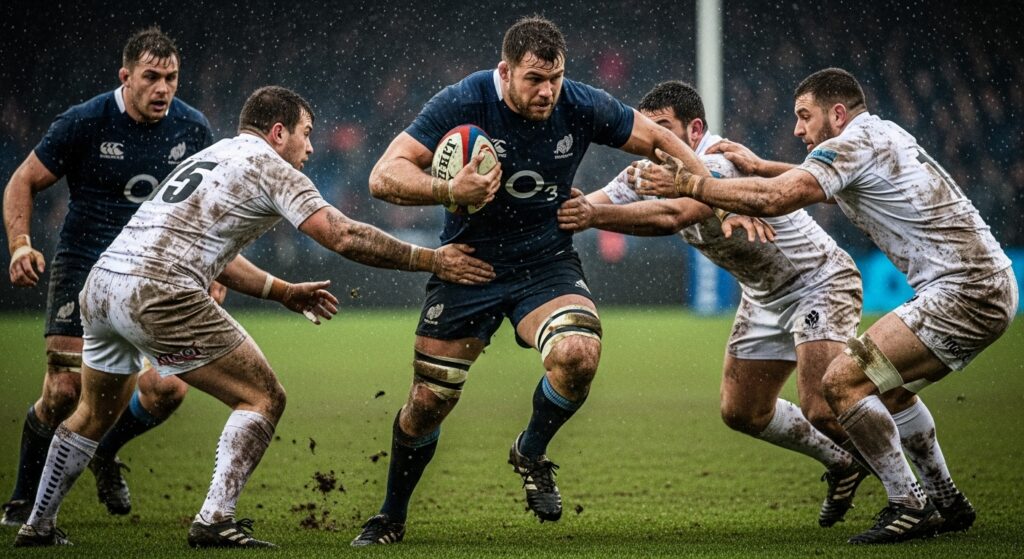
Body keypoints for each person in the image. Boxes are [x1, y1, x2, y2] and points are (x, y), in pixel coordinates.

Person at [12, 85, 496, 548]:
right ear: (279, 131)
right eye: (307, 132)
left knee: (92, 413)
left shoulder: (212, 154)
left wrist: (283, 291)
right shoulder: (270, 167)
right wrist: (431, 258)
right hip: (159, 290)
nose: (311, 146)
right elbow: (343, 235)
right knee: (262, 396)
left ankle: (38, 525)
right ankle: (215, 520)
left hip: (101, 286)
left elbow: (211, 251)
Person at [349, 16, 723, 547]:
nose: (548, 91)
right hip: (467, 264)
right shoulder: (464, 100)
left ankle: (530, 449)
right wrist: (448, 188)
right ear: (506, 72)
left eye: (556, 78)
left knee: (578, 354)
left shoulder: (582, 103)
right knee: (428, 402)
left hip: (545, 263)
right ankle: (391, 515)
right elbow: (383, 176)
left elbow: (660, 138)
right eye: (534, 80)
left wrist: (707, 189)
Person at [633, 67, 1016, 544]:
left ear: (837, 114)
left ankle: (908, 504)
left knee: (841, 382)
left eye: (804, 116)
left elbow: (779, 198)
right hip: (983, 284)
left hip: (964, 290)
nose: (798, 129)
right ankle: (947, 499)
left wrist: (693, 186)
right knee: (889, 392)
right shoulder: (880, 134)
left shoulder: (853, 144)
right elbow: (819, 185)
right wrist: (759, 166)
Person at [557, 79, 882, 527]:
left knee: (822, 405)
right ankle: (844, 464)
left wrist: (594, 216)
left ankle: (921, 490)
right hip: (765, 293)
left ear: (694, 130)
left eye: (667, 131)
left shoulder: (720, 161)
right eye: (650, 132)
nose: (657, 144)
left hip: (817, 281)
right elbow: (585, 207)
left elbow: (674, 215)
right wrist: (552, 212)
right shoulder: (649, 167)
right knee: (742, 411)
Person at [2, 27, 214, 525]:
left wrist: (211, 267)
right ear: (126, 77)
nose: (163, 89)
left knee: (168, 389)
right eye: (151, 77)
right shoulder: (84, 121)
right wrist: (19, 245)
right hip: (83, 266)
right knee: (63, 393)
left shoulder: (192, 128)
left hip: (152, 277)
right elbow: (22, 180)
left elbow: (205, 210)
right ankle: (20, 500)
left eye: (172, 78)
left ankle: (103, 450)